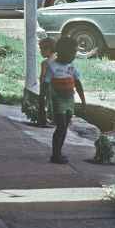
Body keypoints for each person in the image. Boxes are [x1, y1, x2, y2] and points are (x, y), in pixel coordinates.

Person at [44, 36, 86, 164]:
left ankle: (58, 152)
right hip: (58, 100)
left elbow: (78, 83)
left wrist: (83, 101)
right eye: (72, 52)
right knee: (61, 127)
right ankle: (55, 154)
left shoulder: (71, 67)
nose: (74, 55)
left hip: (69, 100)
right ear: (62, 51)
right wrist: (45, 102)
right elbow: (45, 85)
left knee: (64, 127)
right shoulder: (52, 67)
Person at [37, 37, 57, 127]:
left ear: (49, 49)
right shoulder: (58, 59)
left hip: (47, 85)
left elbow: (42, 77)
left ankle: (44, 119)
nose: (40, 52)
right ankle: (55, 119)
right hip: (58, 85)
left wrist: (41, 89)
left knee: (45, 102)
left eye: (42, 49)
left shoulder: (45, 63)